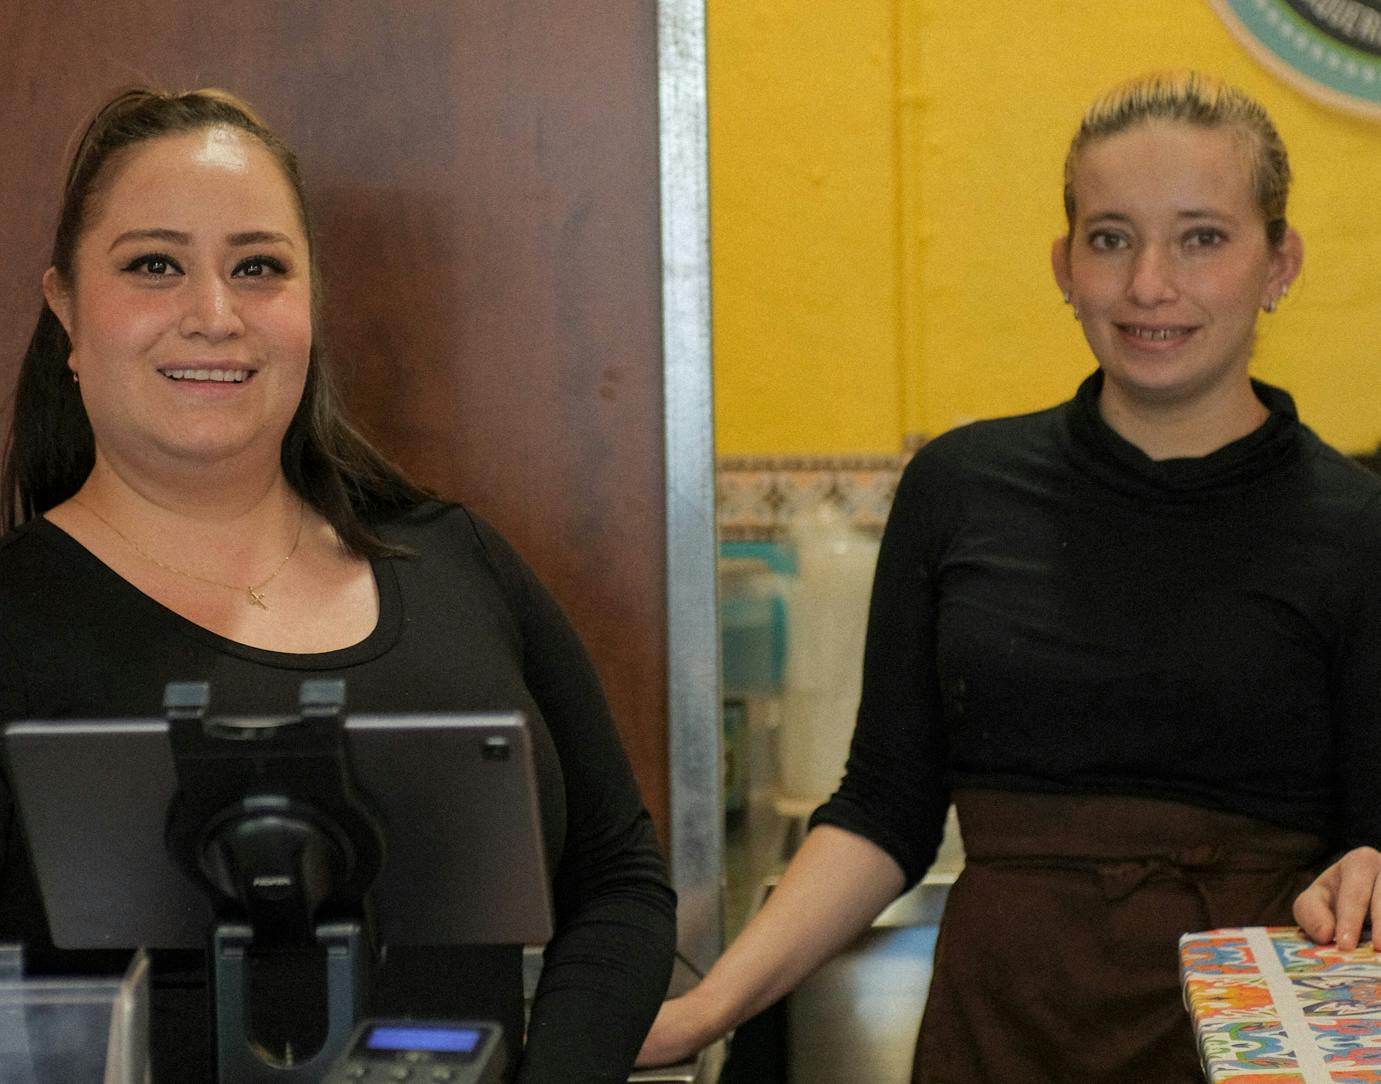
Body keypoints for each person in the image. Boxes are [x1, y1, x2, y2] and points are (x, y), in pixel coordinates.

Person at [638, 70, 1381, 1082]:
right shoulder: (957, 488)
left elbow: (1369, 852)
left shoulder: (1356, 528)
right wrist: (702, 1012)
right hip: (999, 1033)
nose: (1148, 284)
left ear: (1277, 263)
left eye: (1201, 238)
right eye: (1110, 238)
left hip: (1242, 1046)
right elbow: (883, 808)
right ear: (1064, 265)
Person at [0, 87, 676, 1083]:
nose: (214, 315)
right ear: (64, 305)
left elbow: (618, 883)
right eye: (154, 265)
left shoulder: (456, 561)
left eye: (258, 267)